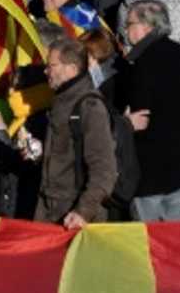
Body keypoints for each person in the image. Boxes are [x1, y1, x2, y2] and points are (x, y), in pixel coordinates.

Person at [118, 0, 180, 221]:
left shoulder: (143, 63)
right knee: (176, 227)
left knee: (147, 233)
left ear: (147, 26)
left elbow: (139, 114)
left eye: (129, 23)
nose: (125, 29)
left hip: (149, 164)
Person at [33, 35, 118, 229]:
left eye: (51, 66)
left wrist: (83, 212)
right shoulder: (61, 99)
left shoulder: (89, 106)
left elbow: (104, 170)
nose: (46, 72)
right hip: (50, 208)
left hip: (73, 216)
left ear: (71, 68)